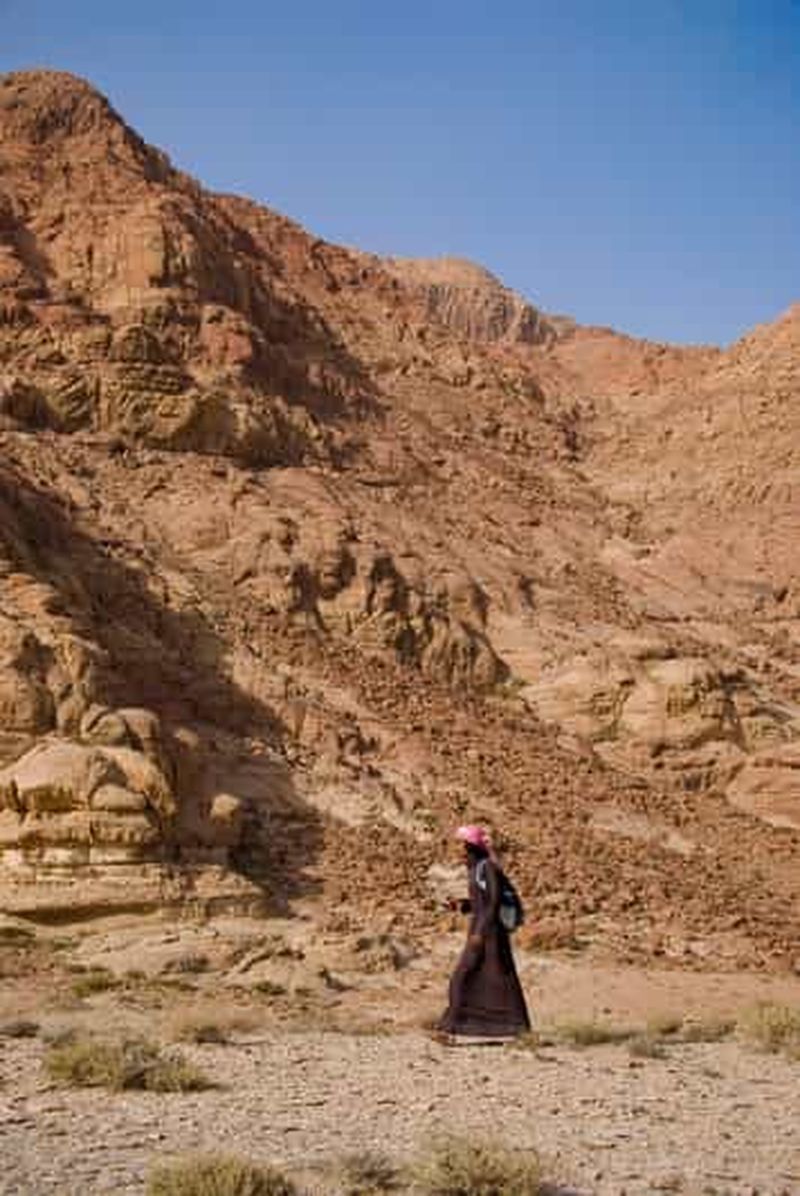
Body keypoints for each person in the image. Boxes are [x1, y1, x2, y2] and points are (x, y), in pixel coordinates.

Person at [438, 824, 530, 1040]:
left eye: (461, 844)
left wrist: (480, 931)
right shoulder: (476, 868)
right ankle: (517, 1028)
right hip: (485, 931)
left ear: (470, 846)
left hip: (488, 933)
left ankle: (449, 1029)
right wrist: (463, 905)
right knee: (502, 980)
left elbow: (495, 900)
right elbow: (482, 902)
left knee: (462, 978)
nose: (458, 850)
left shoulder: (487, 867)